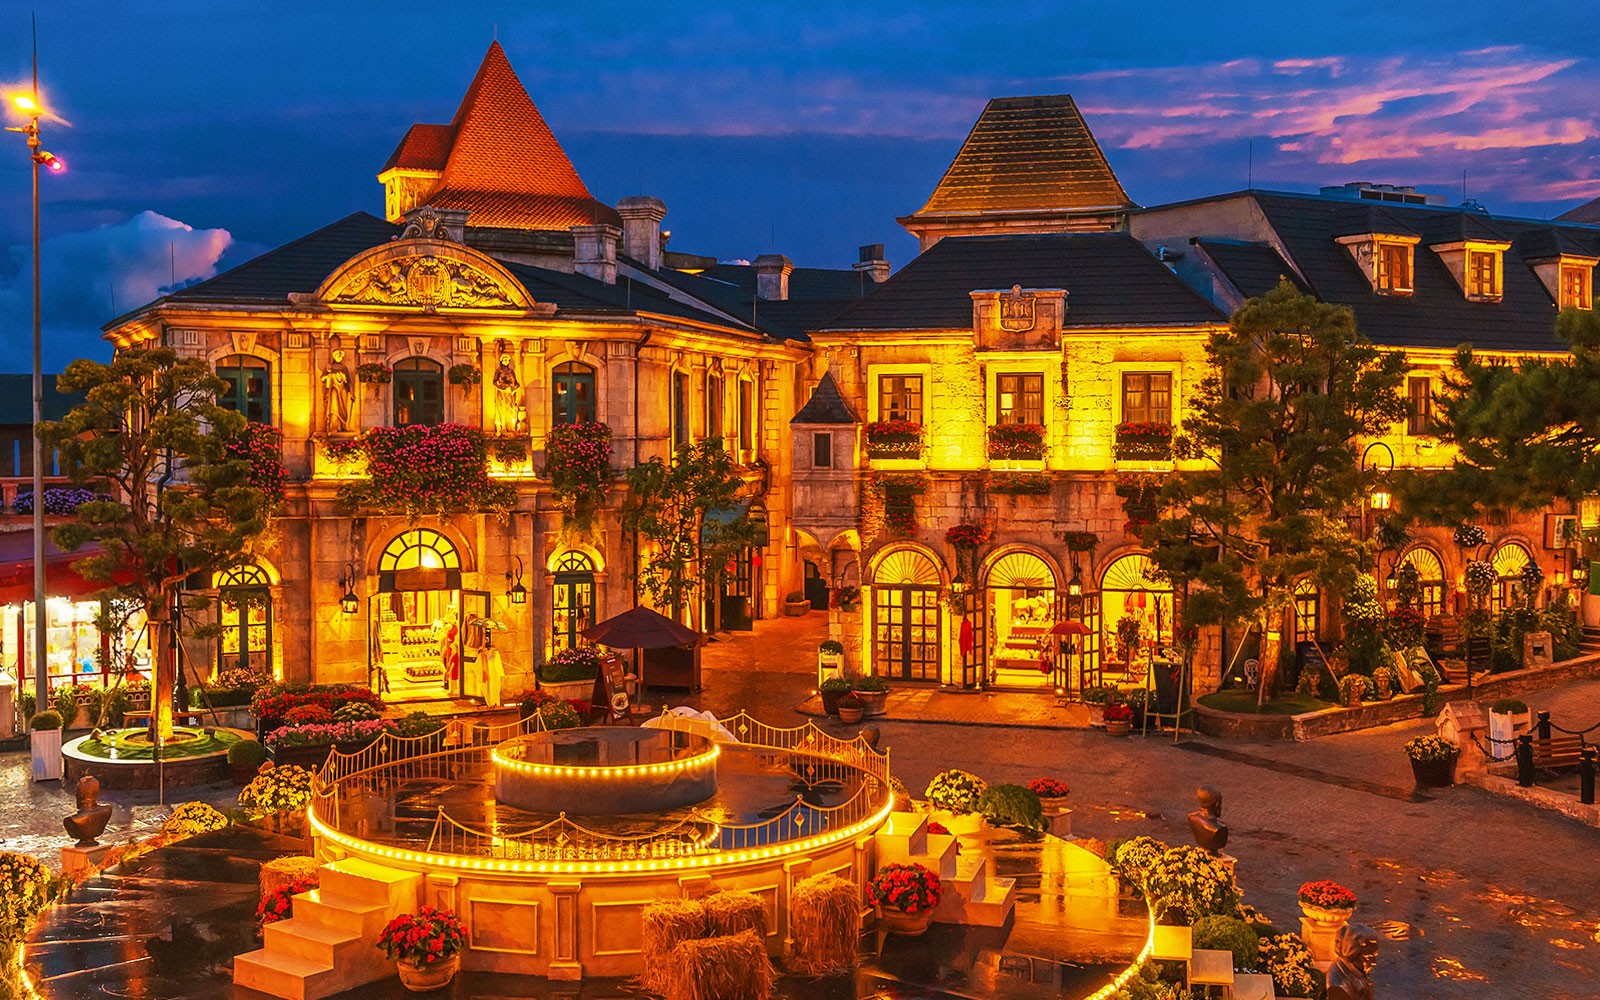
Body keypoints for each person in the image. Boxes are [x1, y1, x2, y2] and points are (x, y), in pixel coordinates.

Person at [321, 348, 353, 434]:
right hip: (334, 389)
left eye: (340, 356)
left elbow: (348, 381)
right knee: (334, 407)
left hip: (343, 390)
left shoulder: (344, 368)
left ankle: (342, 426)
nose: (339, 357)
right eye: (337, 355)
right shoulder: (330, 367)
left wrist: (352, 393)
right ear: (334, 356)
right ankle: (333, 427)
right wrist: (329, 373)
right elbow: (323, 378)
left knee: (343, 409)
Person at [492, 352, 524, 435]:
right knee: (502, 410)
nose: (506, 361)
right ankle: (502, 427)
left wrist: (514, 389)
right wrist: (500, 387)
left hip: (510, 394)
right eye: (504, 359)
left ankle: (511, 427)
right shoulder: (498, 371)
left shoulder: (511, 371)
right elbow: (494, 382)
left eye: (507, 360)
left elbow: (516, 383)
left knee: (511, 410)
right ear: (501, 361)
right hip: (502, 393)